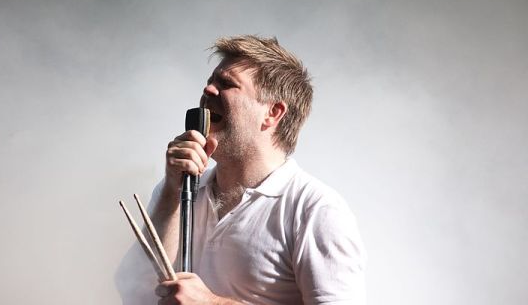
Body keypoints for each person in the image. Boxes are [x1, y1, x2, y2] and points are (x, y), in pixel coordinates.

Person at [116, 35, 366, 305]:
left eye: (226, 84)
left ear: (272, 113)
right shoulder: (181, 190)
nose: (208, 90)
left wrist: (213, 303)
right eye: (210, 82)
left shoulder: (314, 210)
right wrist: (170, 191)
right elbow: (135, 292)